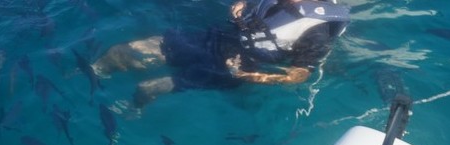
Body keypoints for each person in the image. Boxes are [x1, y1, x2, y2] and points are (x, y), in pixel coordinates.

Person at [92, 0, 350, 109]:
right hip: (219, 38)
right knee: (122, 51)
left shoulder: (318, 29)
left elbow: (300, 74)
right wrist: (238, 7)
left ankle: (128, 112)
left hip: (239, 65)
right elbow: (247, 4)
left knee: (148, 88)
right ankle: (89, 74)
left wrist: (255, 77)